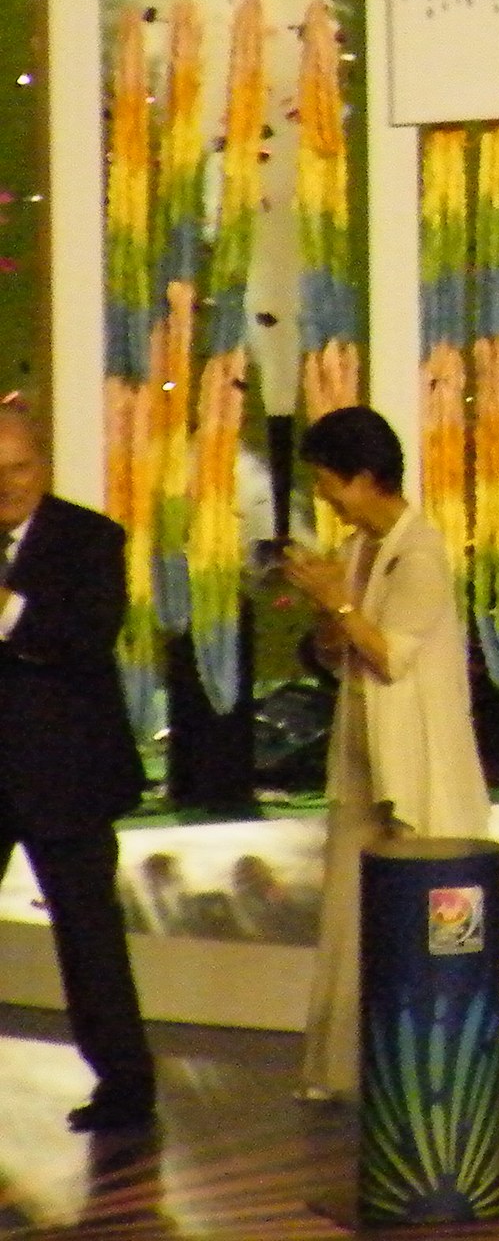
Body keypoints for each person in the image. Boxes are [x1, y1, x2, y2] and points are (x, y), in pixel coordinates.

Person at [281, 405, 495, 1104]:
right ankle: (343, 1069)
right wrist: (325, 613)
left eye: (327, 482)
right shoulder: (361, 551)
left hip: (417, 768)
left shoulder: (421, 555)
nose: (323, 497)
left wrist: (338, 606)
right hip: (363, 758)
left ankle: (428, 1070)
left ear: (366, 478)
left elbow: (392, 657)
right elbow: (342, 654)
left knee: (424, 927)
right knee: (348, 916)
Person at [0, 406, 157, 1132]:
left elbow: (85, 637)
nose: (7, 485)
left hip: (67, 778)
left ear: (45, 466)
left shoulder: (91, 539)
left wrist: (8, 611)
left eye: (20, 468)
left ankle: (125, 1088)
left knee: (90, 938)